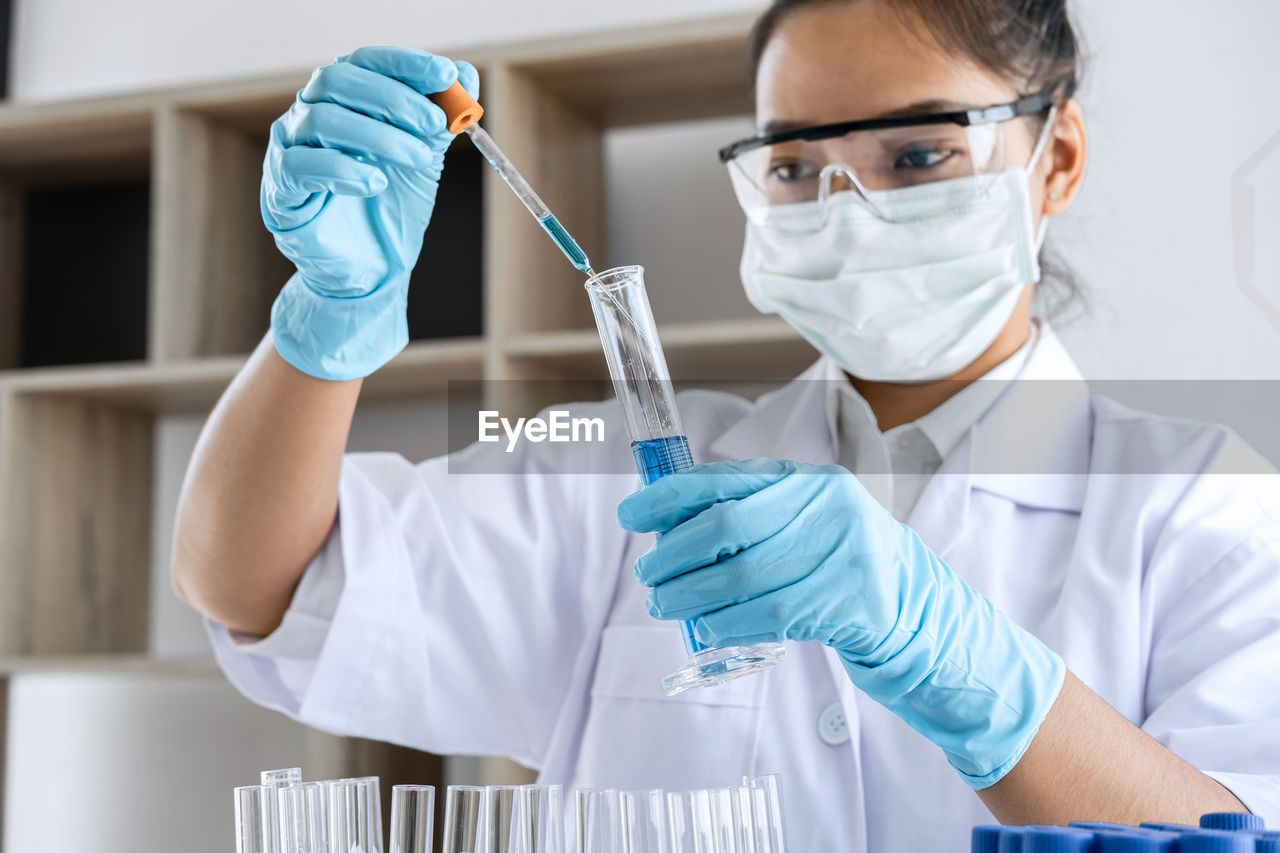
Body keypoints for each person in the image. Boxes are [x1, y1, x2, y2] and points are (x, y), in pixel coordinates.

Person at [172, 0, 1280, 849]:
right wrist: (330, 321)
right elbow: (262, 582)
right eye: (795, 164)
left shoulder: (1209, 501)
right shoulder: (622, 466)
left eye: (917, 153)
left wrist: (954, 657)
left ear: (1059, 159)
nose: (847, 211)